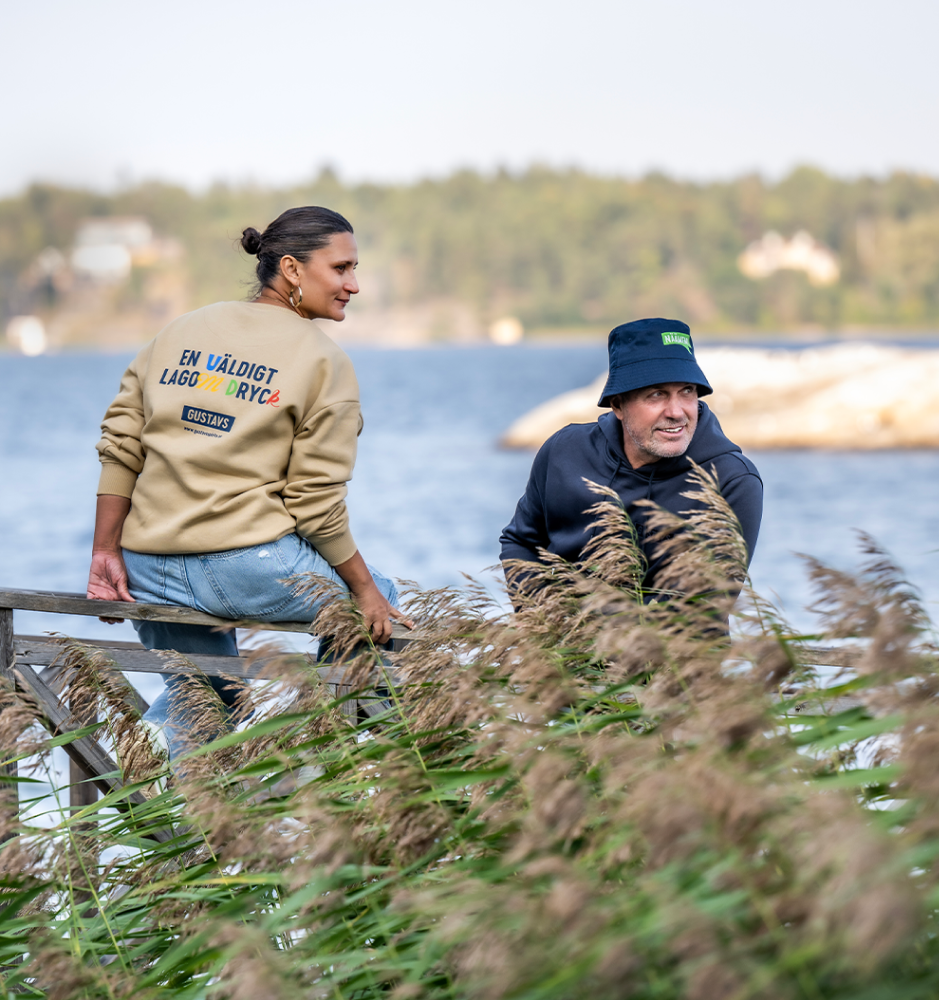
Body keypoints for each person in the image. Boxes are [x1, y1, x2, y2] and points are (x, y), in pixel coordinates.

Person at [86, 206, 411, 758]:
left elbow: (123, 443)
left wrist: (104, 551)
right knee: (384, 605)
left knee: (210, 701)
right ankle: (311, 760)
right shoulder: (323, 362)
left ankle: (152, 793)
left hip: (146, 561)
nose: (353, 285)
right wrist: (364, 588)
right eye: (341, 269)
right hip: (240, 564)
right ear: (291, 268)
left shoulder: (181, 330)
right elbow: (313, 501)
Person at [500, 317, 762, 591]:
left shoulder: (731, 480)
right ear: (618, 405)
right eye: (657, 395)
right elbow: (520, 542)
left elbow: (705, 605)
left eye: (687, 392)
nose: (676, 412)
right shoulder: (564, 452)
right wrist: (541, 617)